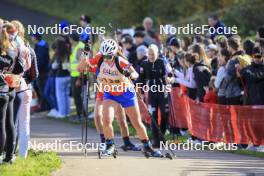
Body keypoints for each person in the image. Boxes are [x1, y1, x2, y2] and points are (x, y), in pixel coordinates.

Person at [78, 39, 162, 157]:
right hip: (110, 93)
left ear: (114, 53)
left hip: (126, 93)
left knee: (136, 122)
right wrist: (85, 53)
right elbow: (81, 68)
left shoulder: (120, 61)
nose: (106, 58)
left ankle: (147, 147)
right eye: (104, 55)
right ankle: (110, 145)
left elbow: (135, 74)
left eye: (109, 56)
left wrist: (130, 74)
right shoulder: (100, 59)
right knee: (106, 120)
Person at [138, 44, 172, 148]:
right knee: (153, 115)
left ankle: (162, 135)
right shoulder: (144, 63)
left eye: (153, 54)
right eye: (149, 54)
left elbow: (170, 73)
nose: (151, 56)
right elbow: (141, 79)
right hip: (152, 92)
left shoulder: (162, 61)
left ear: (157, 53)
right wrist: (141, 93)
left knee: (165, 113)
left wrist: (170, 78)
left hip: (163, 91)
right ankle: (156, 139)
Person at [0, 23, 25, 163]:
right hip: (11, 88)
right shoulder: (14, 48)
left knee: (1, 124)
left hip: (1, 90)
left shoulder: (2, 49)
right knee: (9, 123)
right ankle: (9, 156)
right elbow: (20, 68)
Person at [11, 20, 33, 158]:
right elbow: (30, 67)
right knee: (24, 123)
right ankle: (22, 155)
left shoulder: (11, 46)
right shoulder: (27, 45)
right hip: (24, 85)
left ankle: (9, 153)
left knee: (11, 122)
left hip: (14, 86)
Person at [30, 32, 49, 111]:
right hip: (43, 71)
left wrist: (35, 71)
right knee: (41, 89)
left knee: (42, 89)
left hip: (41, 72)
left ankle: (44, 106)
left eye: (32, 36)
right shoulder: (43, 44)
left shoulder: (40, 46)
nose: (31, 38)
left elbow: (40, 61)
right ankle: (43, 105)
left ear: (35, 37)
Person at [53, 37, 71, 118]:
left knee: (60, 96)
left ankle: (62, 113)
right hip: (68, 76)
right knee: (66, 95)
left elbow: (54, 66)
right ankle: (67, 112)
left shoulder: (58, 54)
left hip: (60, 76)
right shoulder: (68, 52)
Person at [69, 33, 84, 120]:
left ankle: (81, 115)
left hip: (78, 76)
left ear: (73, 39)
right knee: (76, 96)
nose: (69, 41)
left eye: (70, 39)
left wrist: (79, 78)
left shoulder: (80, 47)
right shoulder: (75, 47)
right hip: (74, 75)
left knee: (77, 95)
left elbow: (82, 64)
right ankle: (80, 114)